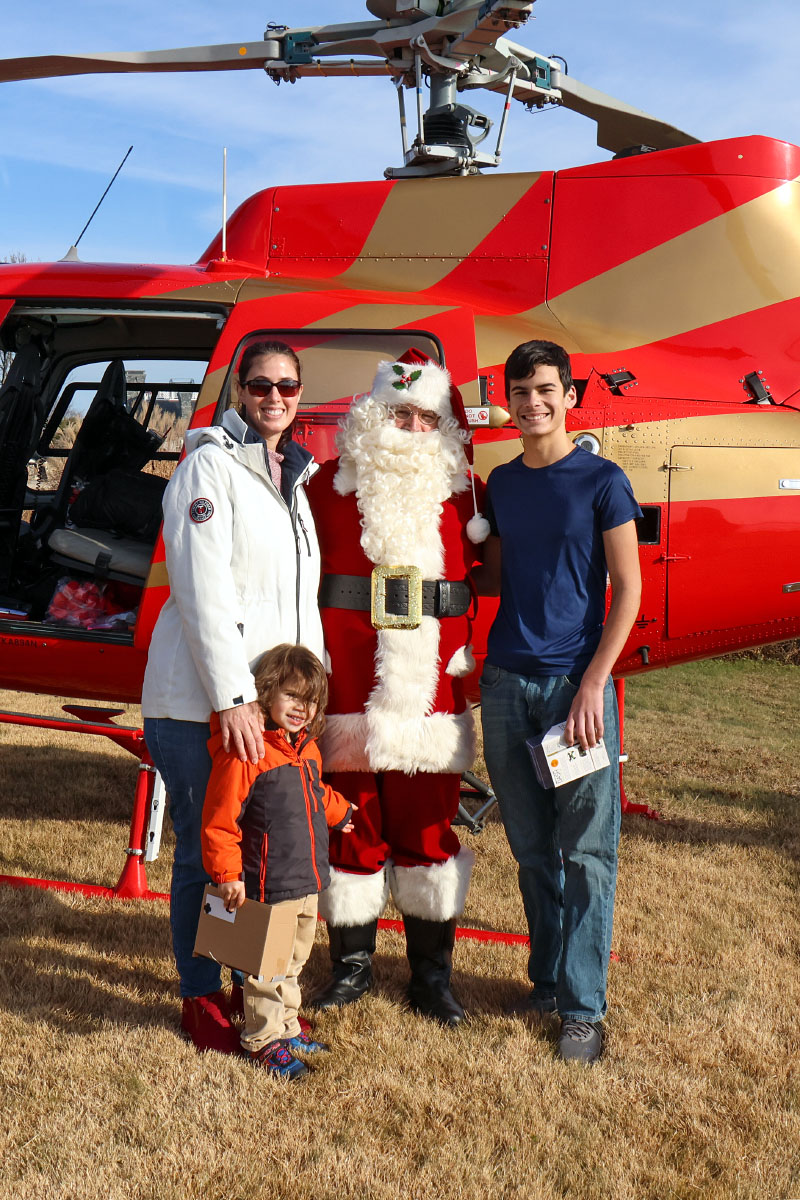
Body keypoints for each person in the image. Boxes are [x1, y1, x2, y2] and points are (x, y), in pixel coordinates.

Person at [142, 339, 324, 1055]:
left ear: (300, 394)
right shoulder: (208, 467)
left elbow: (299, 609)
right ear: (239, 392)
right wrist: (234, 698)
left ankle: (254, 1000)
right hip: (202, 706)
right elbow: (203, 592)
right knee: (203, 852)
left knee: (251, 862)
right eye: (260, 385)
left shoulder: (292, 480)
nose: (274, 397)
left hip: (266, 712)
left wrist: (306, 705)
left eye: (287, 386)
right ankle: (199, 994)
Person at [306, 354, 489, 1027]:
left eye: (424, 417)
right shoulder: (326, 488)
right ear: (372, 414)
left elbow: (496, 581)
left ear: (442, 426)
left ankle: (431, 979)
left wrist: (475, 655)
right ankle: (350, 968)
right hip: (350, 689)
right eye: (398, 413)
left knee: (430, 833)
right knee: (350, 828)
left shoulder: (469, 496)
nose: (410, 428)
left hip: (433, 694)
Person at [474, 340, 642, 1065]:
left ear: (570, 395)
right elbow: (490, 577)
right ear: (507, 400)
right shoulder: (501, 484)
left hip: (575, 690)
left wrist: (594, 683)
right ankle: (545, 981)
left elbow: (628, 590)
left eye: (545, 389)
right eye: (520, 391)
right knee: (531, 849)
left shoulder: (603, 480)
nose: (532, 402)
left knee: (588, 852)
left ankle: (582, 1010)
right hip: (505, 685)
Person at [201, 643, 354, 1080]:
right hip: (268, 884)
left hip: (306, 880)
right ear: (267, 693)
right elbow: (220, 820)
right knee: (266, 966)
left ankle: (287, 1027)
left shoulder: (307, 750)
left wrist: (340, 811)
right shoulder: (247, 753)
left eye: (310, 700)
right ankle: (264, 1039)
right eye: (292, 696)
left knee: (294, 961)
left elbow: (315, 794)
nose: (302, 708)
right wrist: (228, 874)